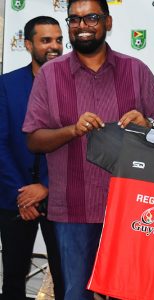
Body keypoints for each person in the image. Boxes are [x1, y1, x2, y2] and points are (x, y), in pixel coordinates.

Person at [22, 0, 154, 299]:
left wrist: (149, 123)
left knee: (128, 293)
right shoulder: (50, 76)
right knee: (76, 294)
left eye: (91, 17)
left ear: (108, 22)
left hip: (130, 209)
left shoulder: (135, 70)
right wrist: (71, 131)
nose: (82, 25)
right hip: (72, 209)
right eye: (74, 19)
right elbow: (33, 139)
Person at [0, 16, 64, 300]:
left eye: (59, 40)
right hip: (14, 198)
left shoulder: (74, 86)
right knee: (13, 278)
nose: (55, 46)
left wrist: (47, 187)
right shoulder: (6, 85)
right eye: (46, 40)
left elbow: (78, 144)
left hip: (62, 197)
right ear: (28, 44)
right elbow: (0, 144)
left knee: (67, 277)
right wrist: (22, 194)